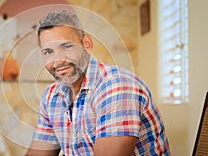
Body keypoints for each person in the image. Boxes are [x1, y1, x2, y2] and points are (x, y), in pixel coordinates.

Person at [26, 10, 171, 156]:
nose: (57, 61)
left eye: (66, 47)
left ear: (87, 44)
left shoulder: (116, 86)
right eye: (48, 52)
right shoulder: (52, 96)